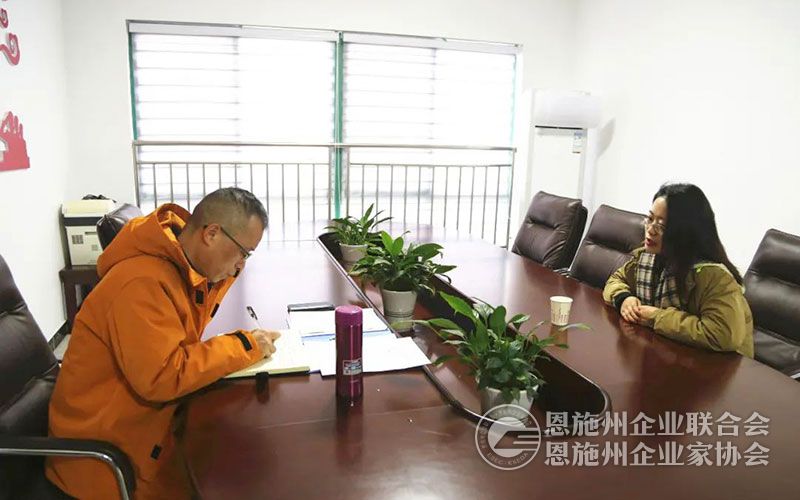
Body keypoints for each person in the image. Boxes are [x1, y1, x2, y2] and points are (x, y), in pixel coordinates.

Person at [46, 188, 281, 499]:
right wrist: (244, 345)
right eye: (243, 253)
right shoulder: (141, 282)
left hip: (142, 428)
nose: (240, 266)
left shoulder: (182, 268)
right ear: (211, 234)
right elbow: (163, 376)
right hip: (106, 462)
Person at [602, 183, 753, 357]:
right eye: (649, 219)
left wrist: (657, 317)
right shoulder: (648, 256)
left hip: (719, 367)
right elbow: (616, 279)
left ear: (686, 232)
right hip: (665, 354)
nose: (650, 230)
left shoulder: (714, 276)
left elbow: (722, 334)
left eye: (662, 226)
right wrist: (624, 298)